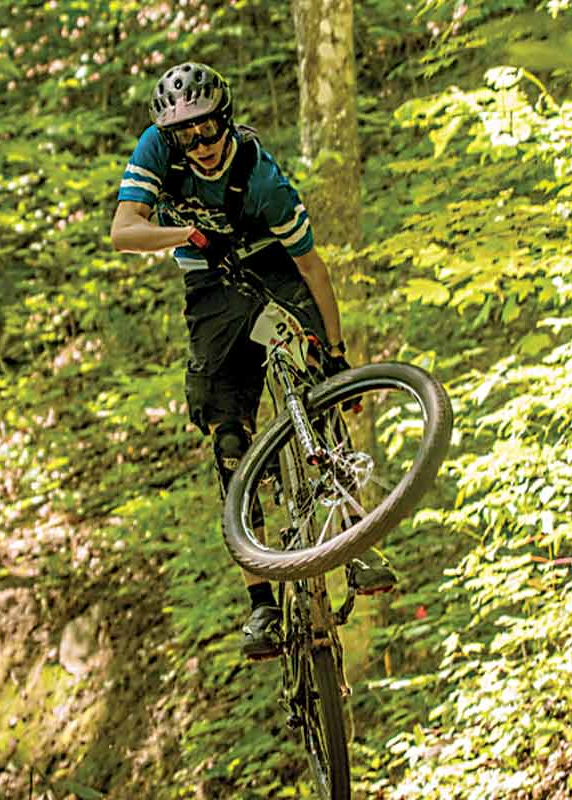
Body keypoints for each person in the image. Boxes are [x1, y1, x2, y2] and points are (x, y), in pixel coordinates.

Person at [110, 62, 395, 661]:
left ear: (227, 119)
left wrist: (337, 355)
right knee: (229, 444)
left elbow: (313, 268)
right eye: (186, 136)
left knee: (318, 394)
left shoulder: (263, 180)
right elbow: (124, 231)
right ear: (171, 135)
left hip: (274, 270)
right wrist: (183, 235)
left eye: (209, 129)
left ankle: (356, 539)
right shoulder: (158, 147)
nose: (201, 145)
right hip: (209, 287)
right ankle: (262, 605)